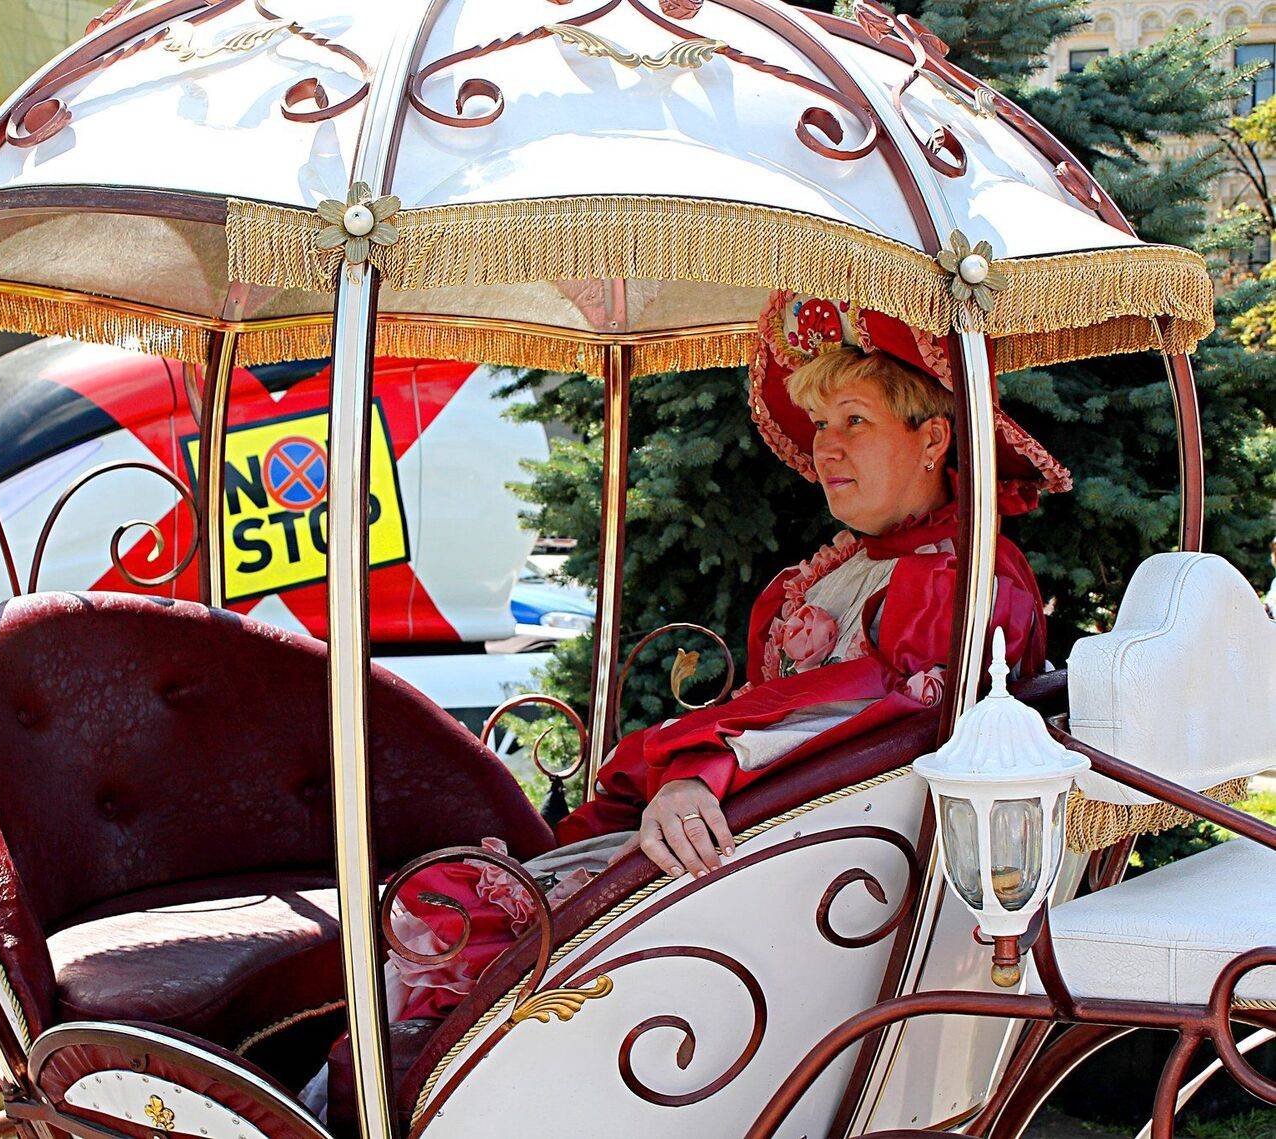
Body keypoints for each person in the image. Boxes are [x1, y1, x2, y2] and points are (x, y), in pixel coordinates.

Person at [304, 294, 1071, 1120]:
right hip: (771, 863)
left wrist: (702, 766)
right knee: (449, 893)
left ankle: (406, 1106)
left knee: (450, 898)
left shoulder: (956, 577)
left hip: (799, 892)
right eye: (820, 424)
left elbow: (882, 718)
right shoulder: (855, 568)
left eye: (855, 420)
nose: (827, 447)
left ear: (934, 438)